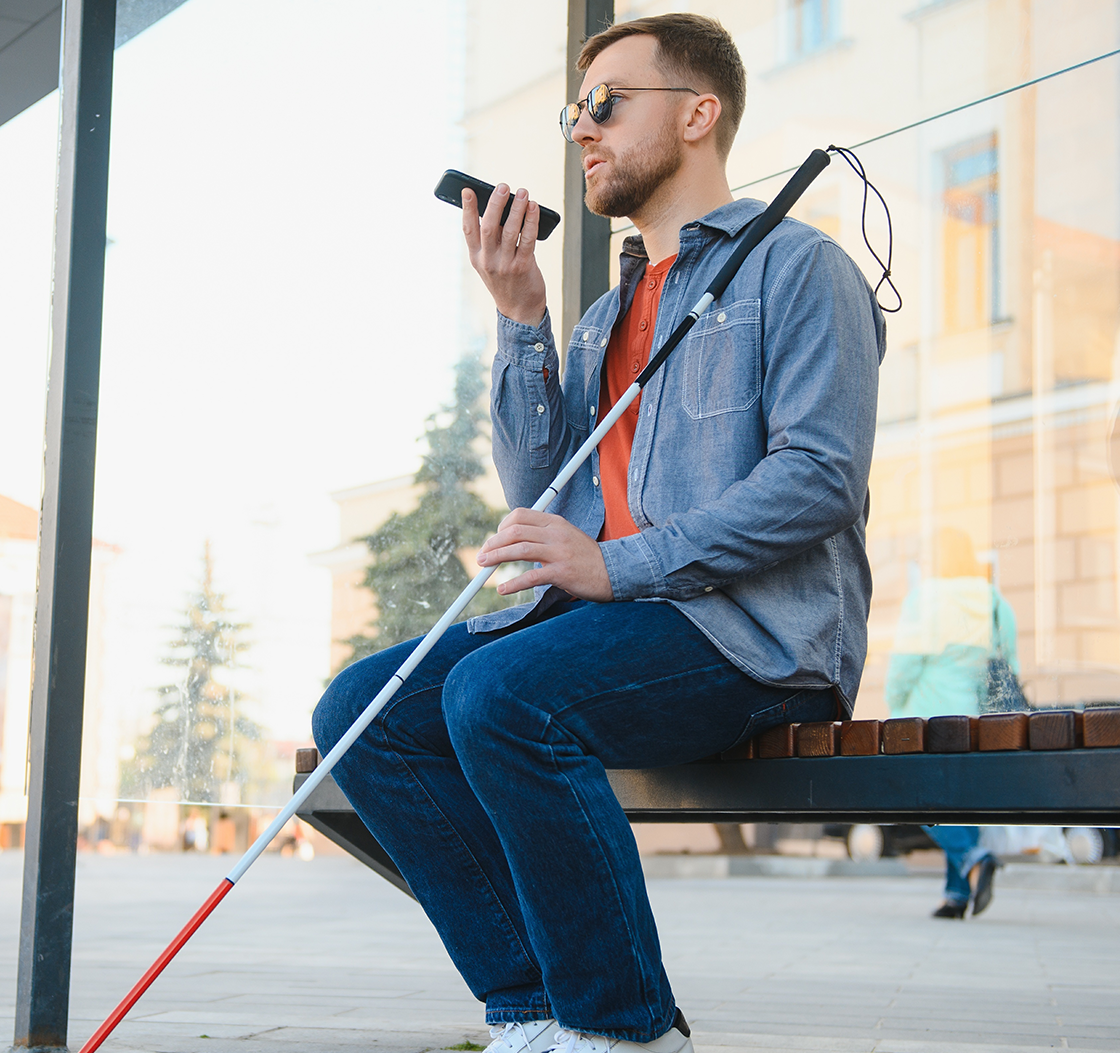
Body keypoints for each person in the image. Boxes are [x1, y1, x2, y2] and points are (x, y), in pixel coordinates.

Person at [311, 15, 884, 1053]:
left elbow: (818, 481)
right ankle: (532, 1010)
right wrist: (518, 313)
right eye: (574, 110)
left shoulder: (797, 270)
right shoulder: (601, 317)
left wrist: (614, 566)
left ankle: (620, 1029)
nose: (581, 130)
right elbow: (546, 491)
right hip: (612, 628)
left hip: (750, 636)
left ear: (697, 115)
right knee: (365, 707)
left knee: (500, 694)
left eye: (607, 104)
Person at [885, 528, 1016, 919]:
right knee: (961, 805)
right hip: (972, 718)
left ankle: (973, 859)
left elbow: (904, 665)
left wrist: (894, 705)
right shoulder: (993, 602)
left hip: (925, 716)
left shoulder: (924, 599)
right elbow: (1011, 665)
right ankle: (957, 896)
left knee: (916, 798)